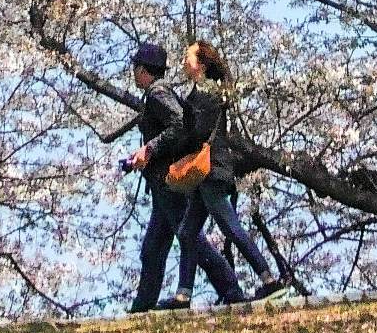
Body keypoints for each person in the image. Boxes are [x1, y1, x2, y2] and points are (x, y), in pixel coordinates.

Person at [119, 40, 247, 312]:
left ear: (143, 70)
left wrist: (150, 149)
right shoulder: (157, 93)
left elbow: (179, 124)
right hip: (162, 184)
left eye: (135, 68)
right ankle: (141, 308)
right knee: (154, 248)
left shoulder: (157, 94)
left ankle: (231, 289)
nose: (133, 73)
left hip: (169, 184)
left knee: (191, 238)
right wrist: (141, 157)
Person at [185, 39, 300, 302]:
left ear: (200, 65)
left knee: (230, 226)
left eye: (188, 57)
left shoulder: (207, 94)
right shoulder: (203, 93)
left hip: (210, 170)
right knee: (188, 232)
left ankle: (269, 281)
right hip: (206, 172)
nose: (184, 61)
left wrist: (178, 140)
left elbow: (199, 132)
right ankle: (184, 294)